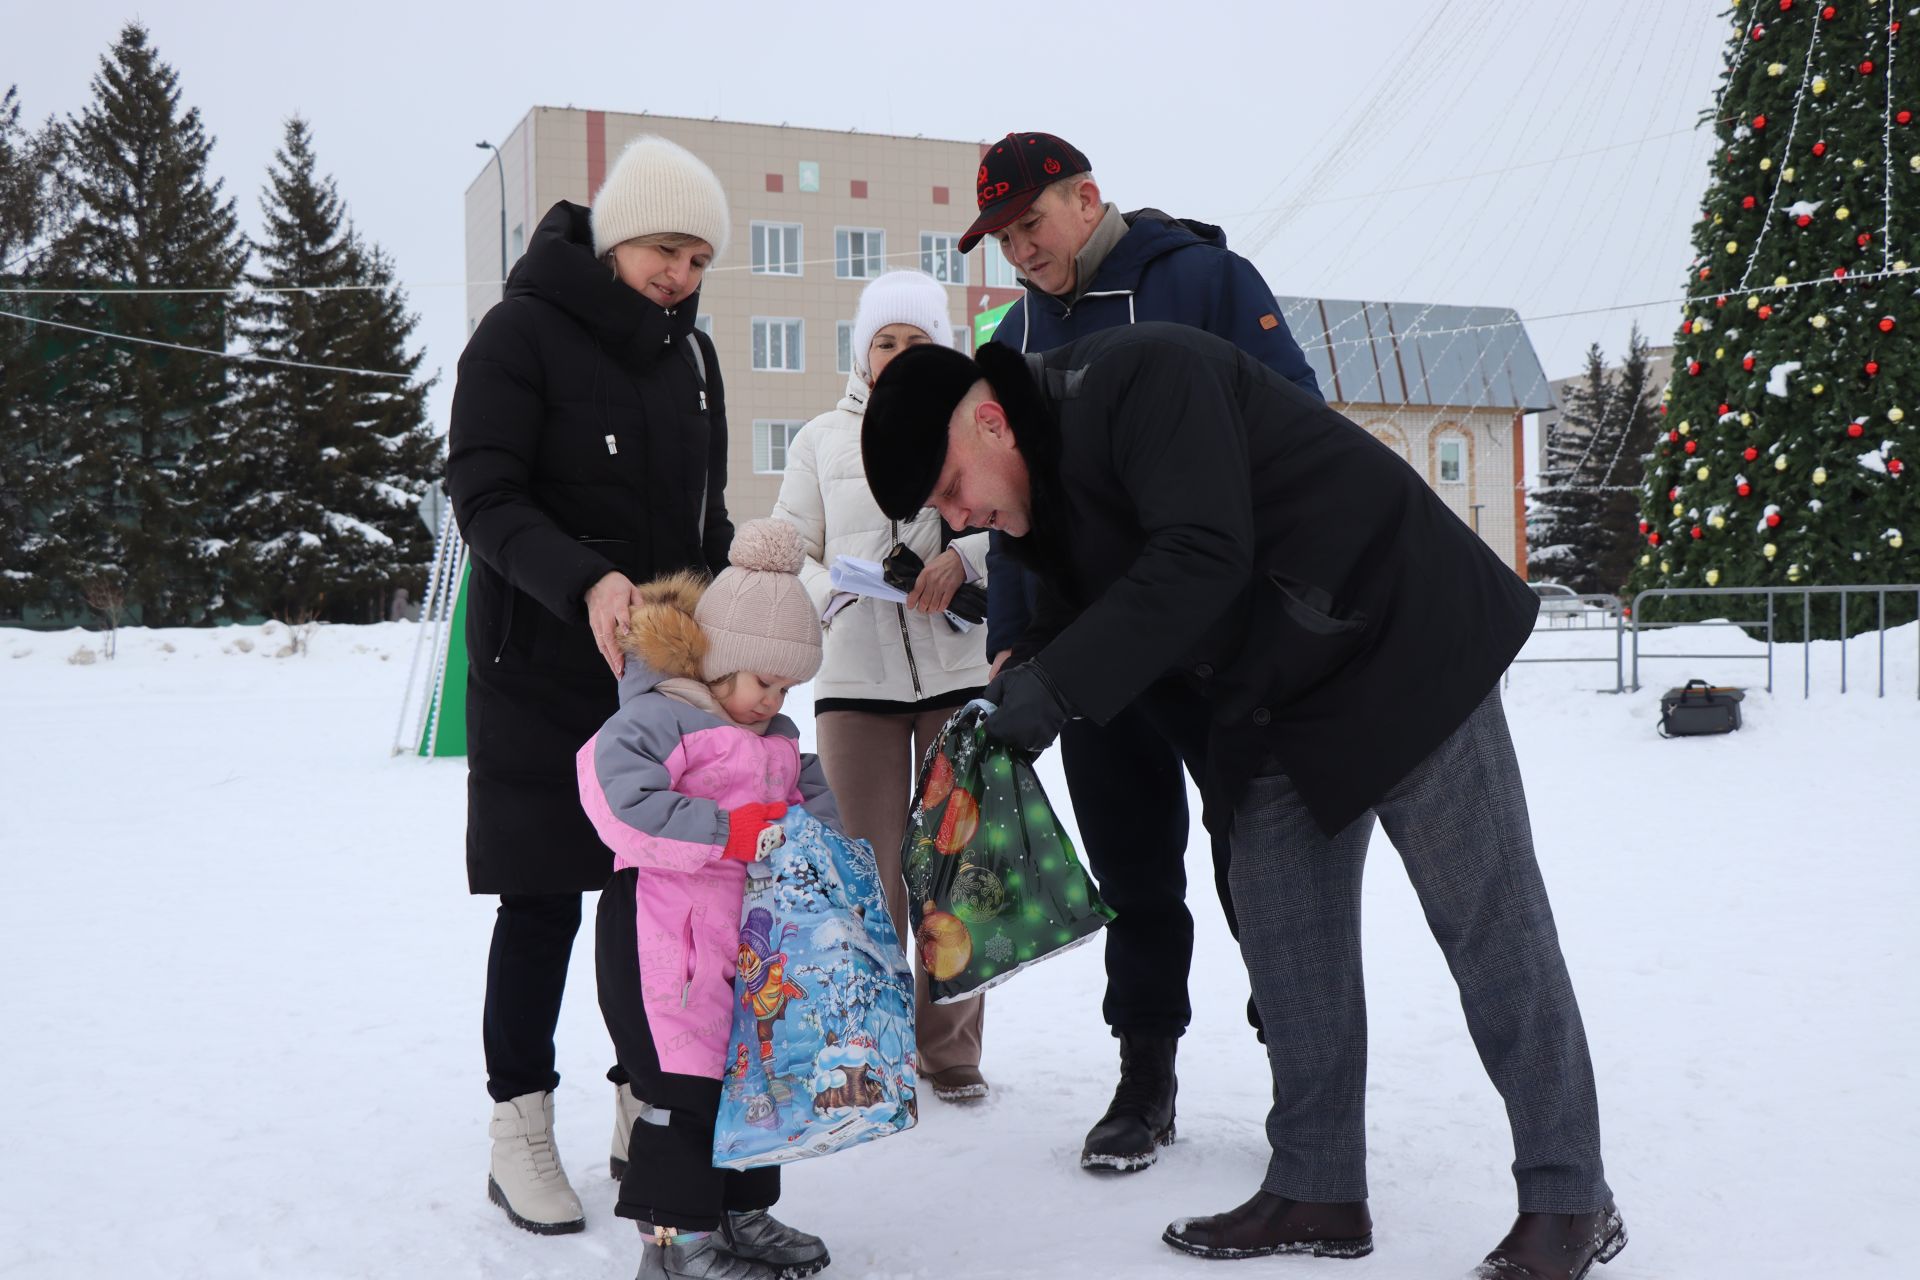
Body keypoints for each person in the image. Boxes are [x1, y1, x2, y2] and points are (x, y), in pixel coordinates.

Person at [859, 330, 1625, 1280]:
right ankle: (1319, 1183)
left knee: (1486, 924)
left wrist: (1060, 684)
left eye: (947, 488)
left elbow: (1200, 553)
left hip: (1398, 640)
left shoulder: (1147, 379)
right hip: (1272, 697)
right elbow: (1076, 596)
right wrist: (1030, 671)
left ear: (989, 417)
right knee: (1284, 932)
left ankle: (1568, 1194)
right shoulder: (1039, 496)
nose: (957, 514)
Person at [957, 130, 1323, 1172]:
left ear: (1087, 201)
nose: (1019, 249)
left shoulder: (1202, 279)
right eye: (1002, 236)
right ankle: (1145, 1074)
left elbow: (1295, 428)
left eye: (1031, 223)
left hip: (1221, 637)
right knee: (1132, 870)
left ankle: (1304, 1067)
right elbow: (1014, 506)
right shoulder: (1014, 331)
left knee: (1262, 858)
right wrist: (1017, 636)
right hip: (1092, 653)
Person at [447, 134, 733, 1235]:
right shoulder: (520, 333)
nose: (682, 274)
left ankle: (641, 1096)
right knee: (541, 898)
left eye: (700, 257)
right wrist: (586, 580)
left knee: (652, 899)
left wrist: (733, 601)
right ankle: (518, 1120)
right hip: (539, 666)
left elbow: (700, 523)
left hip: (656, 684)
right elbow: (482, 487)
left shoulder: (692, 356)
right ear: (620, 237)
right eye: (668, 248)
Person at [578, 519, 839, 1280]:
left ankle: (739, 1213)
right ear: (722, 661)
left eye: (788, 687)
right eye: (765, 681)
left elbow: (816, 802)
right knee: (682, 1094)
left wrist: (817, 843)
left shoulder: (779, 741)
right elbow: (616, 799)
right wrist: (728, 830)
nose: (774, 700)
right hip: (666, 949)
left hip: (747, 954)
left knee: (754, 1085)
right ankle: (675, 1242)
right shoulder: (657, 719)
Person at [768, 269, 994, 1103]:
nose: (901, 355)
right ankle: (870, 1040)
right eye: (887, 342)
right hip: (855, 678)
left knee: (953, 864)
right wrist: (837, 590)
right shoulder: (822, 438)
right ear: (862, 352)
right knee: (865, 871)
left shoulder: (974, 425)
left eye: (917, 341)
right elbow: (791, 545)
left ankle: (951, 1048)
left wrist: (959, 560)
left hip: (955, 673)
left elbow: (1008, 527)